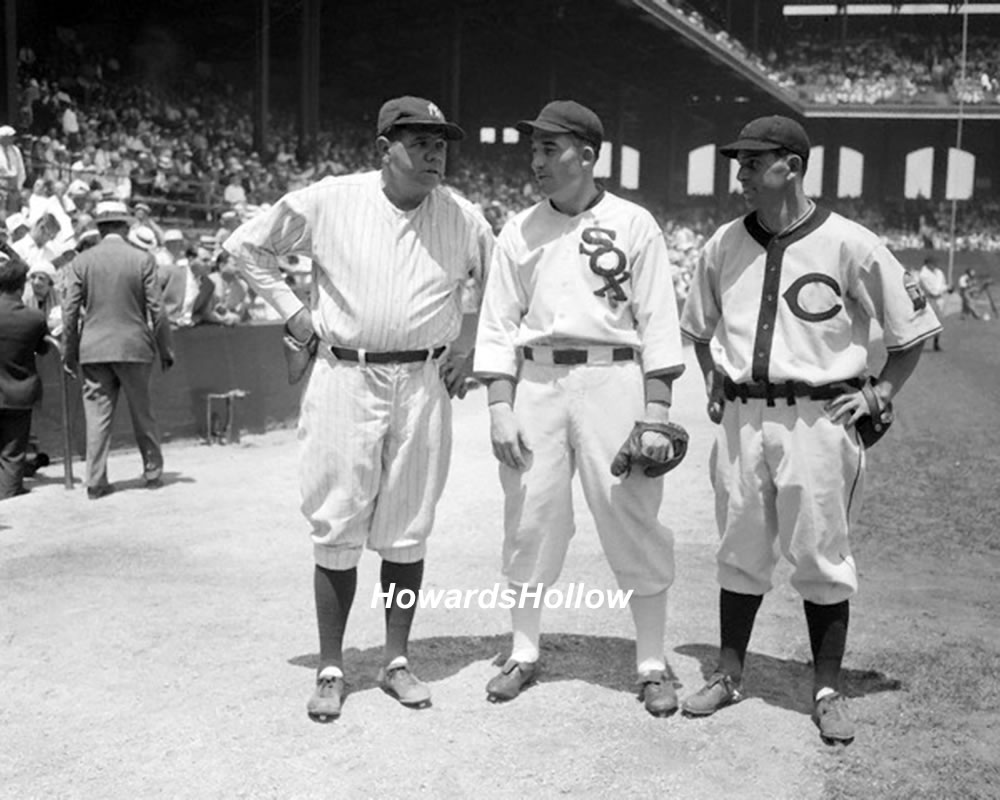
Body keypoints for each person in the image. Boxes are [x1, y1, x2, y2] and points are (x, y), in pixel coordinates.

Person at [223, 95, 493, 722]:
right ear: (384, 148)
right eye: (419, 140)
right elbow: (246, 249)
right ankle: (330, 666)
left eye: (441, 142)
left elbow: (502, 280)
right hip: (346, 373)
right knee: (337, 521)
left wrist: (472, 343)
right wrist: (295, 312)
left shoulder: (462, 215)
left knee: (407, 523)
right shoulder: (330, 199)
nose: (434, 153)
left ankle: (396, 660)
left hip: (424, 377)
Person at [678, 116, 941, 744]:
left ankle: (826, 688)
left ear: (790, 166)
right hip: (743, 417)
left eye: (751, 162)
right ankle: (730, 674)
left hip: (818, 419)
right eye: (737, 162)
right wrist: (713, 374)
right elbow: (697, 327)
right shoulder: (723, 243)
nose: (739, 173)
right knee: (739, 549)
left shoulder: (850, 242)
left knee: (821, 554)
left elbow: (911, 330)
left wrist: (878, 391)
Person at [472, 100, 686, 715]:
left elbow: (658, 322)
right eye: (532, 148)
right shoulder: (519, 228)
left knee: (630, 511)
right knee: (530, 513)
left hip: (611, 377)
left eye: (549, 148)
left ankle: (650, 660)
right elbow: (496, 323)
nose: (535, 160)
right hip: (536, 380)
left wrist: (657, 411)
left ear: (587, 155)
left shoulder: (635, 223)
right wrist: (497, 405)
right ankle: (523, 649)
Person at [62, 200, 175, 499]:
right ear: (125, 227)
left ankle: (95, 481)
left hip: (94, 348)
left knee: (97, 419)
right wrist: (165, 348)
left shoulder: (81, 262)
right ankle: (152, 472)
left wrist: (69, 352)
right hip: (134, 345)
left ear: (99, 228)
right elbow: (158, 311)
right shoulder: (142, 259)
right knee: (143, 414)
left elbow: (69, 312)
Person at [0, 251, 50, 499]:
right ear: (22, 287)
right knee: (13, 450)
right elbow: (43, 348)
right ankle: (9, 492)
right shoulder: (35, 317)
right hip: (19, 391)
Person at [917, 257, 948, 350]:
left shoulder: (939, 273)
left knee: (939, 323)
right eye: (933, 263)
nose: (935, 265)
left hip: (939, 299)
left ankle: (936, 343)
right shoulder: (923, 275)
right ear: (927, 264)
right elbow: (931, 291)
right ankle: (919, 344)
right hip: (929, 300)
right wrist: (943, 289)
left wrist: (947, 288)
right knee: (925, 322)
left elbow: (942, 284)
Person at [0, 126, 27, 220]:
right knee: (2, 213)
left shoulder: (15, 150)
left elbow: (20, 168)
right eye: (10, 137)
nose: (12, 139)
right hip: (2, 184)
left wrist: (19, 186)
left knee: (13, 214)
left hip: (14, 185)